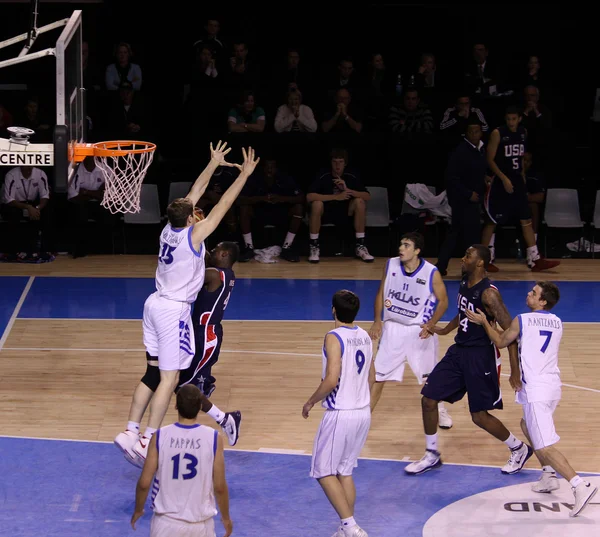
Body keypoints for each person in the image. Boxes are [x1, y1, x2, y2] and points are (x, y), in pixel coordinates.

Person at [115, 143, 259, 467]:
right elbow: (223, 203)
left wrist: (213, 163)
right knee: (170, 379)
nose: (198, 210)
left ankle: (129, 430)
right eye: (194, 210)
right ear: (191, 216)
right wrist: (244, 175)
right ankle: (147, 439)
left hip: (152, 303)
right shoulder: (193, 237)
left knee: (151, 374)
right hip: (173, 310)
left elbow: (196, 190)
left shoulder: (168, 229)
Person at [466, 281, 598, 517]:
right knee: (526, 425)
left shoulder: (523, 320)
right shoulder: (557, 322)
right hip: (551, 386)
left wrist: (485, 322)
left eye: (534, 293)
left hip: (537, 389)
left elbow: (500, 341)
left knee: (545, 446)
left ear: (542, 301)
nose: (529, 294)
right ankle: (548, 475)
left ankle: (580, 485)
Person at [405, 245, 532, 475]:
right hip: (458, 351)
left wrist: (515, 371)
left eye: (468, 256)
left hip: (481, 357)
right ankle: (432, 454)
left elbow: (511, 333)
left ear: (480, 263)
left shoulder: (489, 294)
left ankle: (519, 448)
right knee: (428, 399)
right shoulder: (465, 282)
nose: (463, 259)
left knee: (479, 416)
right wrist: (443, 331)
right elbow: (462, 312)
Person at [303, 290, 374, 537]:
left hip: (341, 413)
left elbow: (332, 379)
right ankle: (345, 529)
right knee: (344, 470)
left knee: (323, 471)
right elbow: (372, 377)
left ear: (333, 310)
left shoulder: (333, 337)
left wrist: (311, 401)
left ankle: (351, 527)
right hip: (362, 412)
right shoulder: (365, 336)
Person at [369, 232, 453, 429]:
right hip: (393, 329)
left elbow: (444, 301)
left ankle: (440, 410)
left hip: (418, 331)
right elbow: (381, 292)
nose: (401, 248)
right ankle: (364, 416)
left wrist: (431, 324)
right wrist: (377, 320)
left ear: (417, 251)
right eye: (400, 244)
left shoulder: (431, 272)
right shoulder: (390, 264)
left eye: (406, 245)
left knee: (429, 378)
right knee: (378, 376)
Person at [131, 384, 232, 537]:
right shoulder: (213, 438)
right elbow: (219, 487)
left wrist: (138, 509)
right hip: (201, 525)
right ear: (200, 407)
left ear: (176, 406)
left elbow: (144, 483)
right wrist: (225, 518)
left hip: (165, 524)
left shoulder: (159, 436)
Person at [483, 106, 559, 272]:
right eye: (508, 119)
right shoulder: (498, 133)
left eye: (514, 119)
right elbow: (489, 159)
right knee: (492, 220)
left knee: (526, 219)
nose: (511, 122)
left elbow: (521, 157)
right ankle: (484, 259)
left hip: (517, 181)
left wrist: (522, 175)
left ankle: (535, 258)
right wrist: (504, 178)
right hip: (500, 181)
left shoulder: (523, 132)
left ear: (519, 119)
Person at [177, 241, 239, 397]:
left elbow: (189, 276)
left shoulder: (214, 274)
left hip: (206, 331)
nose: (211, 253)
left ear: (224, 254)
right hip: (208, 329)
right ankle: (204, 386)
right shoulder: (227, 274)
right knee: (197, 367)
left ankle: (200, 396)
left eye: (215, 250)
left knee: (190, 380)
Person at [435, 118, 489, 276]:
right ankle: (469, 270)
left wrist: (485, 178)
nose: (474, 134)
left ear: (481, 132)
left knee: (457, 232)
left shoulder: (481, 149)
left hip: (474, 198)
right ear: (466, 133)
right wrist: (468, 193)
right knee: (468, 235)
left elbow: (476, 171)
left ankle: (442, 265)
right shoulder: (460, 151)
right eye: (471, 131)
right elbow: (451, 178)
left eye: (477, 131)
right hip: (462, 199)